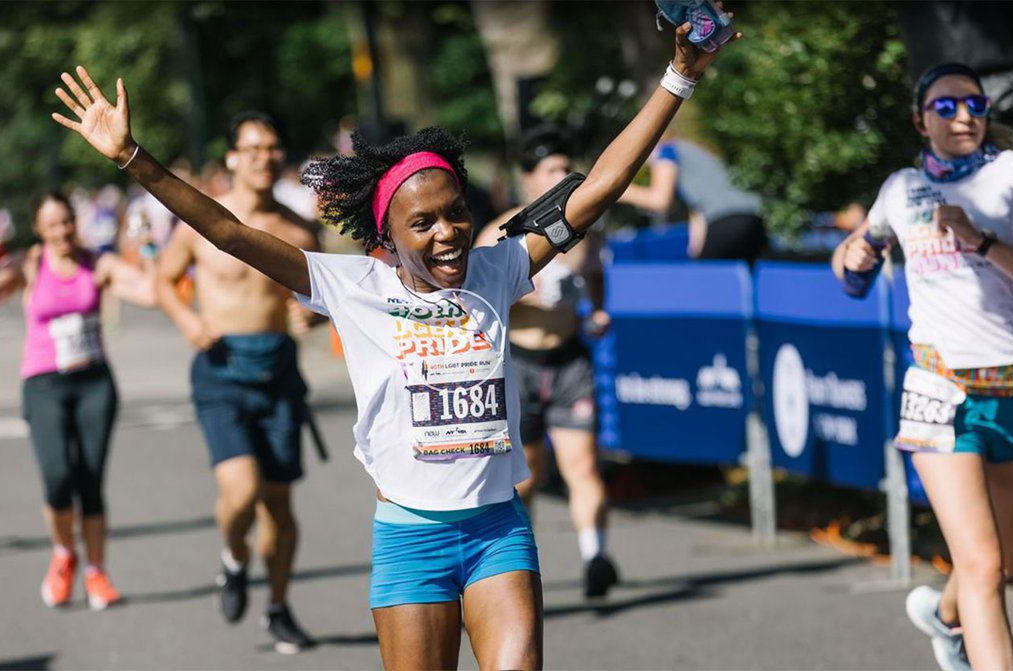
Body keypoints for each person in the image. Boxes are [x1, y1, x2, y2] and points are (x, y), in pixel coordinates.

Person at [51, 20, 734, 665]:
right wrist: (133, 158)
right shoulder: (350, 286)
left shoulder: (500, 269)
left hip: (498, 531)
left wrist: (680, 74)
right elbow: (229, 233)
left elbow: (603, 185)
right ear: (389, 236)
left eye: (457, 213)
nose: (448, 233)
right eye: (424, 223)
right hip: (412, 539)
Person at [833, 62, 1013, 671]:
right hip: (938, 390)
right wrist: (850, 256)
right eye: (947, 107)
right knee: (980, 565)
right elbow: (855, 268)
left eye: (974, 106)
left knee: (1003, 563)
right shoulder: (901, 188)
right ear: (920, 119)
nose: (962, 118)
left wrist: (981, 241)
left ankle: (944, 617)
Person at [153, 111, 319, 653]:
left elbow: (321, 298)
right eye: (251, 148)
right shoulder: (203, 220)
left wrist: (311, 316)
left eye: (271, 148)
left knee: (279, 504)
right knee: (242, 491)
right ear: (231, 158)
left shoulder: (299, 230)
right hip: (221, 368)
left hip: (277, 369)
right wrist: (187, 319)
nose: (263, 158)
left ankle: (277, 606)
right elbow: (163, 279)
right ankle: (233, 557)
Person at [0, 192, 157, 610]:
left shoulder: (96, 263)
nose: (62, 230)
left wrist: (147, 246)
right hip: (43, 383)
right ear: (38, 228)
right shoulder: (29, 265)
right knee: (57, 477)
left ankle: (97, 571)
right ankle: (65, 553)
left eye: (67, 221)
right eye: (52, 224)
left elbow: (151, 293)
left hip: (94, 384)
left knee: (91, 482)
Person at [475, 126, 620, 599]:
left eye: (565, 166)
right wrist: (533, 305)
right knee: (527, 476)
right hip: (519, 362)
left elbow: (595, 274)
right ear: (530, 179)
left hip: (569, 359)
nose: (562, 176)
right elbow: (476, 303)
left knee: (583, 466)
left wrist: (597, 309)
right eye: (552, 170)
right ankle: (518, 570)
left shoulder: (586, 224)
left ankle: (594, 555)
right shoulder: (502, 229)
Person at [618, 132, 768, 262]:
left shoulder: (666, 151)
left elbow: (660, 200)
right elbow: (699, 210)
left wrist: (617, 190)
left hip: (727, 221)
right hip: (755, 218)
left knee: (707, 280)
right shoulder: (692, 150)